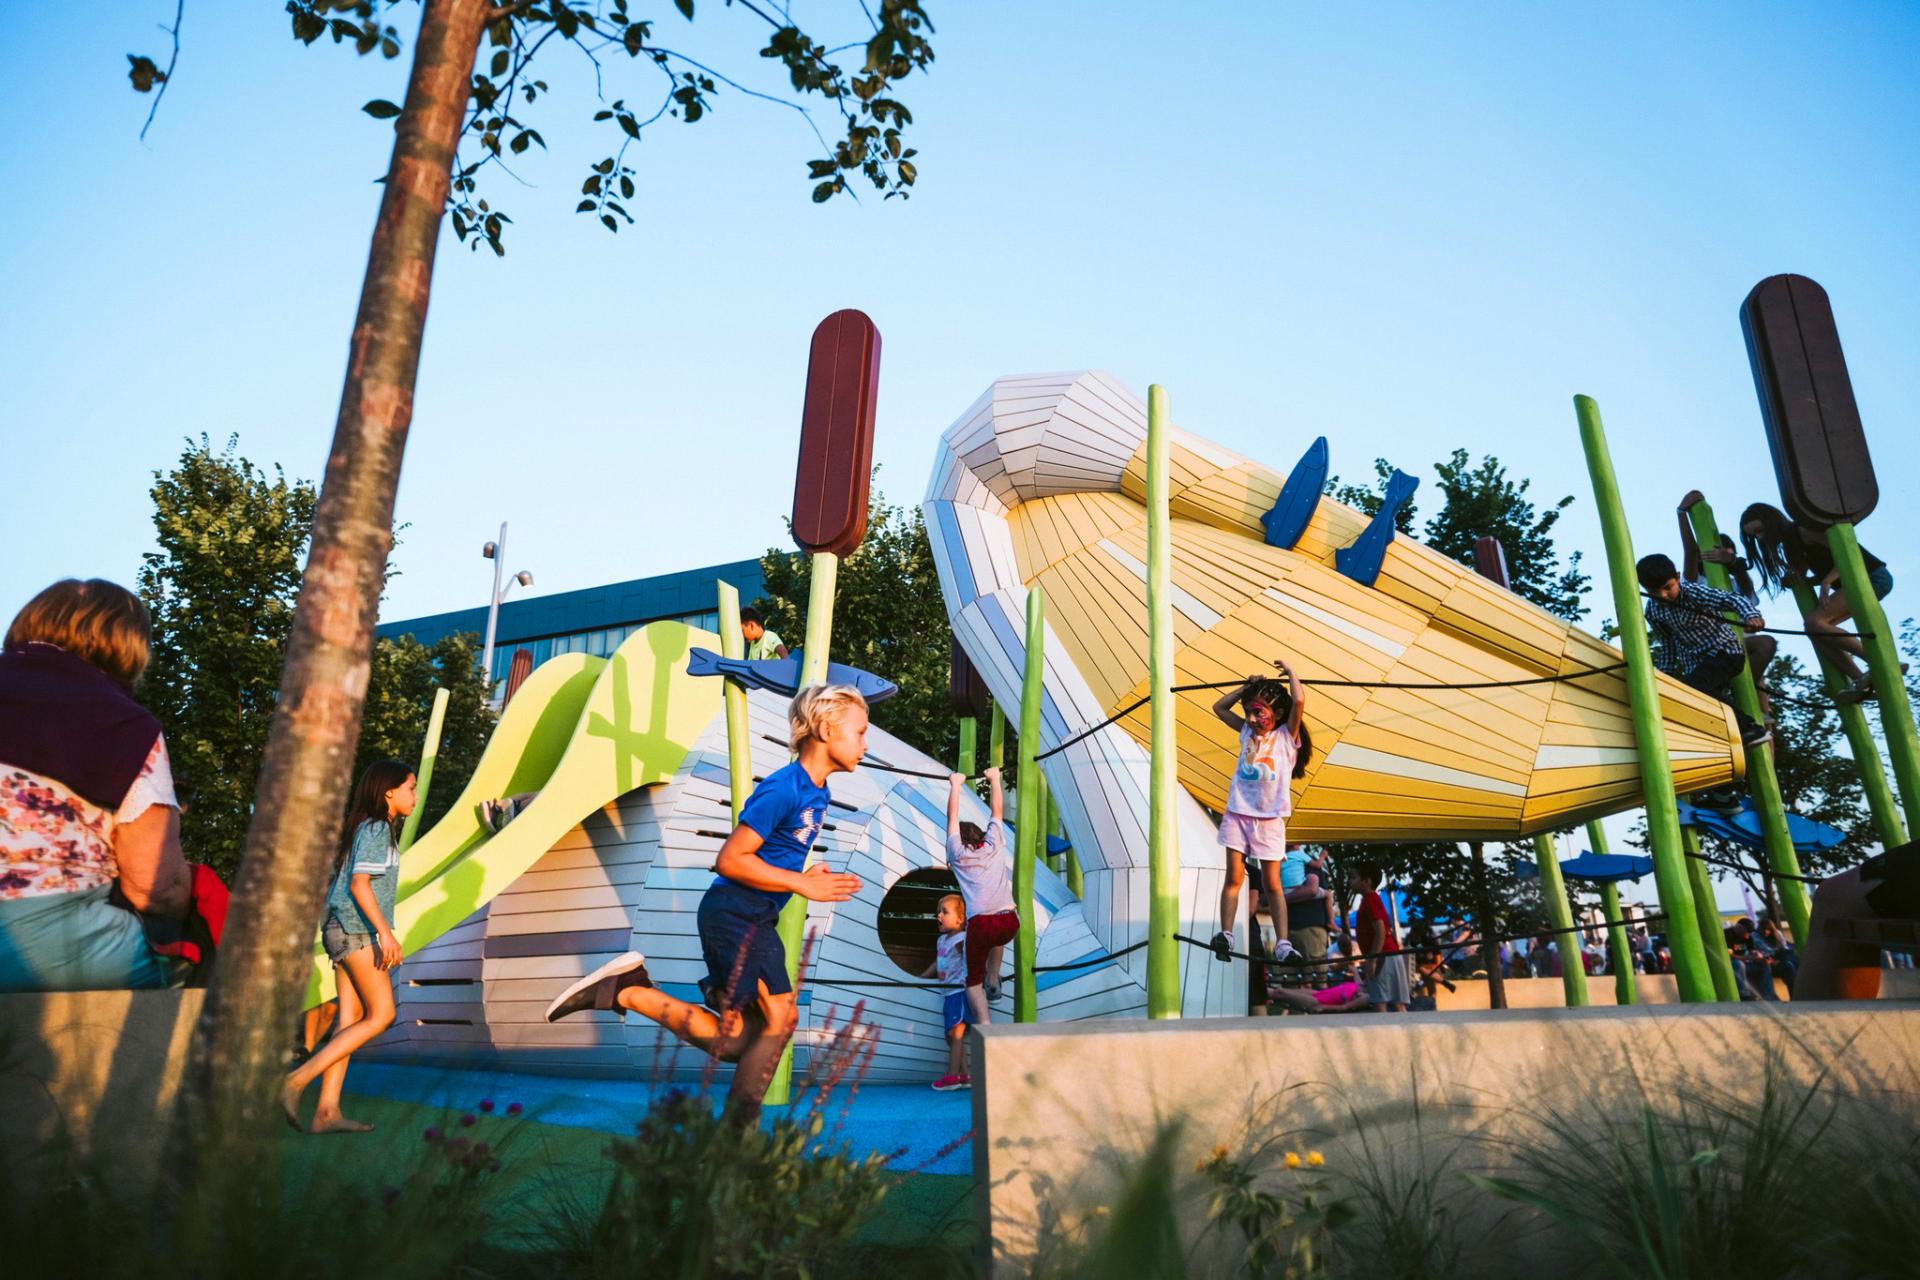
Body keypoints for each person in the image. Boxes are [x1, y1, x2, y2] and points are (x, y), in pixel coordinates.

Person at [544, 685, 866, 1118]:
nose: (865, 744)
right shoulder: (784, 788)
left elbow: (771, 855)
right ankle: (736, 1149)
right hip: (736, 913)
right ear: (828, 729)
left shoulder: (817, 791)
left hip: (751, 915)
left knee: (733, 1042)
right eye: (860, 732)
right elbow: (731, 859)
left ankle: (628, 992)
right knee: (782, 1020)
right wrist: (801, 885)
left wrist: (803, 877)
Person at [0, 580, 192, 992]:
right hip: (43, 938)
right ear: (129, 644)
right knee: (198, 958)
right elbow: (152, 886)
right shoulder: (125, 724)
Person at [283, 758, 416, 1132]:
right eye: (410, 788)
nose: (415, 796)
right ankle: (294, 1081)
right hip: (356, 931)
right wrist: (385, 934)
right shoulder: (376, 828)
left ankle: (327, 1112)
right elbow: (359, 886)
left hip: (342, 929)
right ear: (388, 791)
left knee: (349, 1020)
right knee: (382, 1015)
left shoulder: (368, 828)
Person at [1209, 659, 1313, 964]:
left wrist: (1292, 673)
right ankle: (1225, 935)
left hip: (1269, 821)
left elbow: (1300, 700)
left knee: (1272, 885)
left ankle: (1283, 944)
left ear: (1277, 715)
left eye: (1260, 713)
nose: (1253, 719)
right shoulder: (1245, 733)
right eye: (1250, 712)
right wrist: (1246, 687)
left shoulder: (1285, 739)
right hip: (1238, 815)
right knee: (1234, 878)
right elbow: (1219, 708)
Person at [1739, 502, 1895, 704]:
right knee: (1816, 632)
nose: (1759, 538)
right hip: (1852, 582)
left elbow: (1847, 552)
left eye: (1760, 531)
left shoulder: (1803, 530)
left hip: (1872, 576)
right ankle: (1860, 679)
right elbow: (1813, 569)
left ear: (1771, 522)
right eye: (1754, 536)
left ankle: (1879, 663)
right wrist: (1799, 579)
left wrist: (1827, 581)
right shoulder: (1790, 545)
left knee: (1814, 623)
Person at [1636, 552, 1771, 751]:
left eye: (1667, 588)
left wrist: (1751, 615)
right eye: (1654, 592)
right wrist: (1664, 674)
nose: (1662, 596)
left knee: (1695, 685)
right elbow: (1668, 643)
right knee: (1691, 697)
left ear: (1678, 578)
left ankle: (1750, 727)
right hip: (1697, 664)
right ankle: (1723, 738)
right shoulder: (1654, 611)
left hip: (1725, 653)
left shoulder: (1694, 593)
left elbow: (1731, 599)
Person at [1678, 493, 1779, 718]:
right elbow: (1690, 550)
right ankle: (1734, 693)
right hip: (1710, 647)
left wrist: (1733, 563)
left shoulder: (1736, 581)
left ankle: (1745, 694)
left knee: (1764, 655)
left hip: (1738, 647)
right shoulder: (1695, 581)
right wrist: (1682, 513)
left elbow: (1747, 593)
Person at [946, 766, 1018, 1026]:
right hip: (1009, 920)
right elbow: (997, 811)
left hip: (981, 923)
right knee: (997, 936)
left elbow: (951, 817)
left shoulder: (957, 852)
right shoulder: (993, 843)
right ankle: (994, 978)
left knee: (970, 981)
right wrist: (995, 780)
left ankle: (986, 1025)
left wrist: (955, 785)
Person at [923, 892, 971, 1091]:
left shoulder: (961, 939)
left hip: (959, 992)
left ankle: (952, 1076)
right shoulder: (941, 941)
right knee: (950, 1036)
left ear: (960, 919)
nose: (939, 916)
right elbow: (938, 963)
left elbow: (974, 957)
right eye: (938, 912)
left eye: (945, 912)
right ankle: (965, 1074)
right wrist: (921, 976)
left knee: (956, 1033)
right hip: (947, 993)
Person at [1349, 864, 1408, 1012]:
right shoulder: (1371, 899)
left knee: (1379, 1001)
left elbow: (1380, 930)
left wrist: (1372, 959)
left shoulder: (1370, 900)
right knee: (1396, 1002)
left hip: (1382, 956)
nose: (1350, 882)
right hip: (1388, 954)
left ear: (1367, 881)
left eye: (1353, 877)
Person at [1281, 845, 1333, 983]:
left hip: (1298, 929)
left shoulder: (1280, 861)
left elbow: (1311, 889)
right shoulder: (1300, 859)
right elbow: (1312, 890)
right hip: (1302, 931)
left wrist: (1278, 900)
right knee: (1313, 982)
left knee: (1302, 982)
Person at [1268, 975, 1372, 1014]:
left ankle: (1256, 990)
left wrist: (1323, 1007)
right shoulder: (1361, 984)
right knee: (1279, 991)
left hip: (1318, 1002)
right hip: (1319, 993)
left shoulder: (1365, 996)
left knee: (1281, 993)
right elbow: (1356, 972)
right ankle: (1256, 989)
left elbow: (1344, 1007)